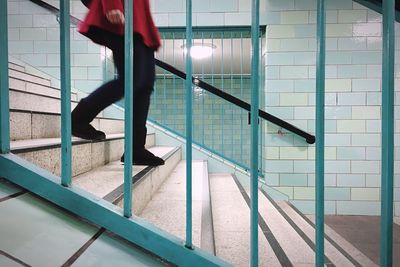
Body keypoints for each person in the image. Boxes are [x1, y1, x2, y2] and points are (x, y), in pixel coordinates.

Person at [71, 0, 164, 166]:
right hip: (124, 12)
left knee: (145, 85)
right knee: (131, 80)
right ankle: (78, 119)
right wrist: (112, 4)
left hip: (139, 19)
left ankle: (136, 149)